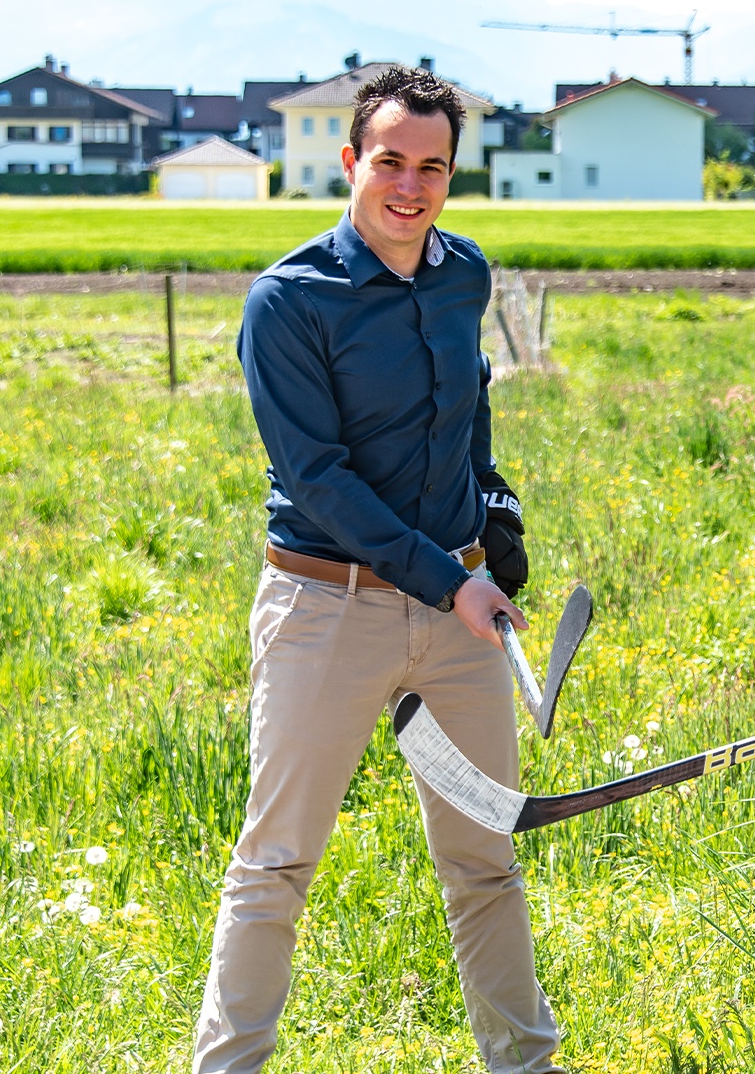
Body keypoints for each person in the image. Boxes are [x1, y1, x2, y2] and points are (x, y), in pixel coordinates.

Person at [194, 66, 559, 1074]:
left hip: (458, 619)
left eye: (432, 167)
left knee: (486, 859)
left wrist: (497, 503)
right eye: (390, 161)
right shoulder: (289, 301)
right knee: (277, 863)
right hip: (329, 609)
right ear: (352, 162)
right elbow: (321, 483)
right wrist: (452, 579)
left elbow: (469, 410)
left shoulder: (463, 275)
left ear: (452, 175)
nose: (410, 184)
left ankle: (525, 1064)